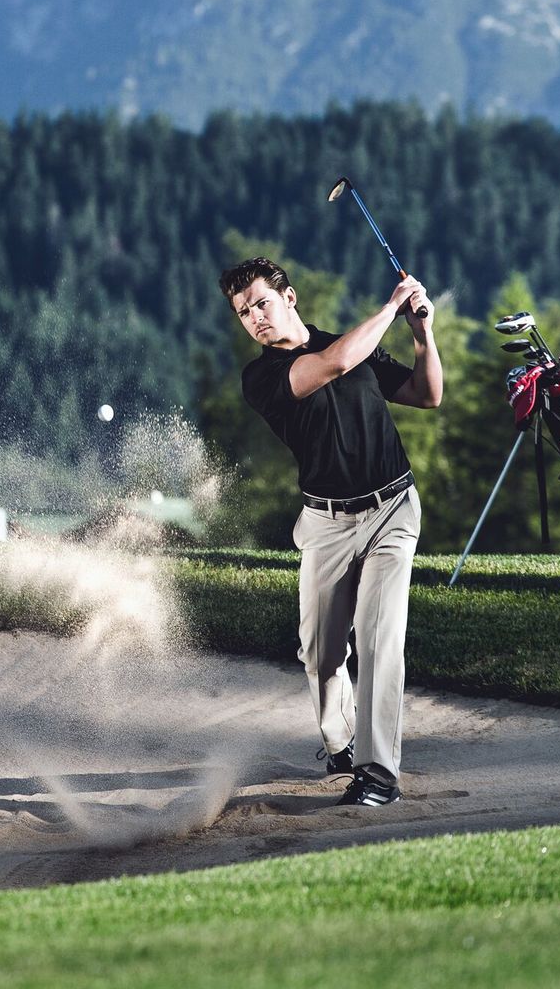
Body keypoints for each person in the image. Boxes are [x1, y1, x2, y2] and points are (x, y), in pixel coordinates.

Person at [219, 256, 442, 807]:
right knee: (320, 654)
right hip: (325, 523)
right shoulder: (263, 377)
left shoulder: (354, 345)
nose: (256, 319)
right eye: (244, 313)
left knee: (379, 637)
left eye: (262, 304)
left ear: (289, 298)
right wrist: (392, 306)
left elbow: (426, 394)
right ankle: (340, 742)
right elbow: (335, 364)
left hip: (392, 511)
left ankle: (378, 773)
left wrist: (422, 334)